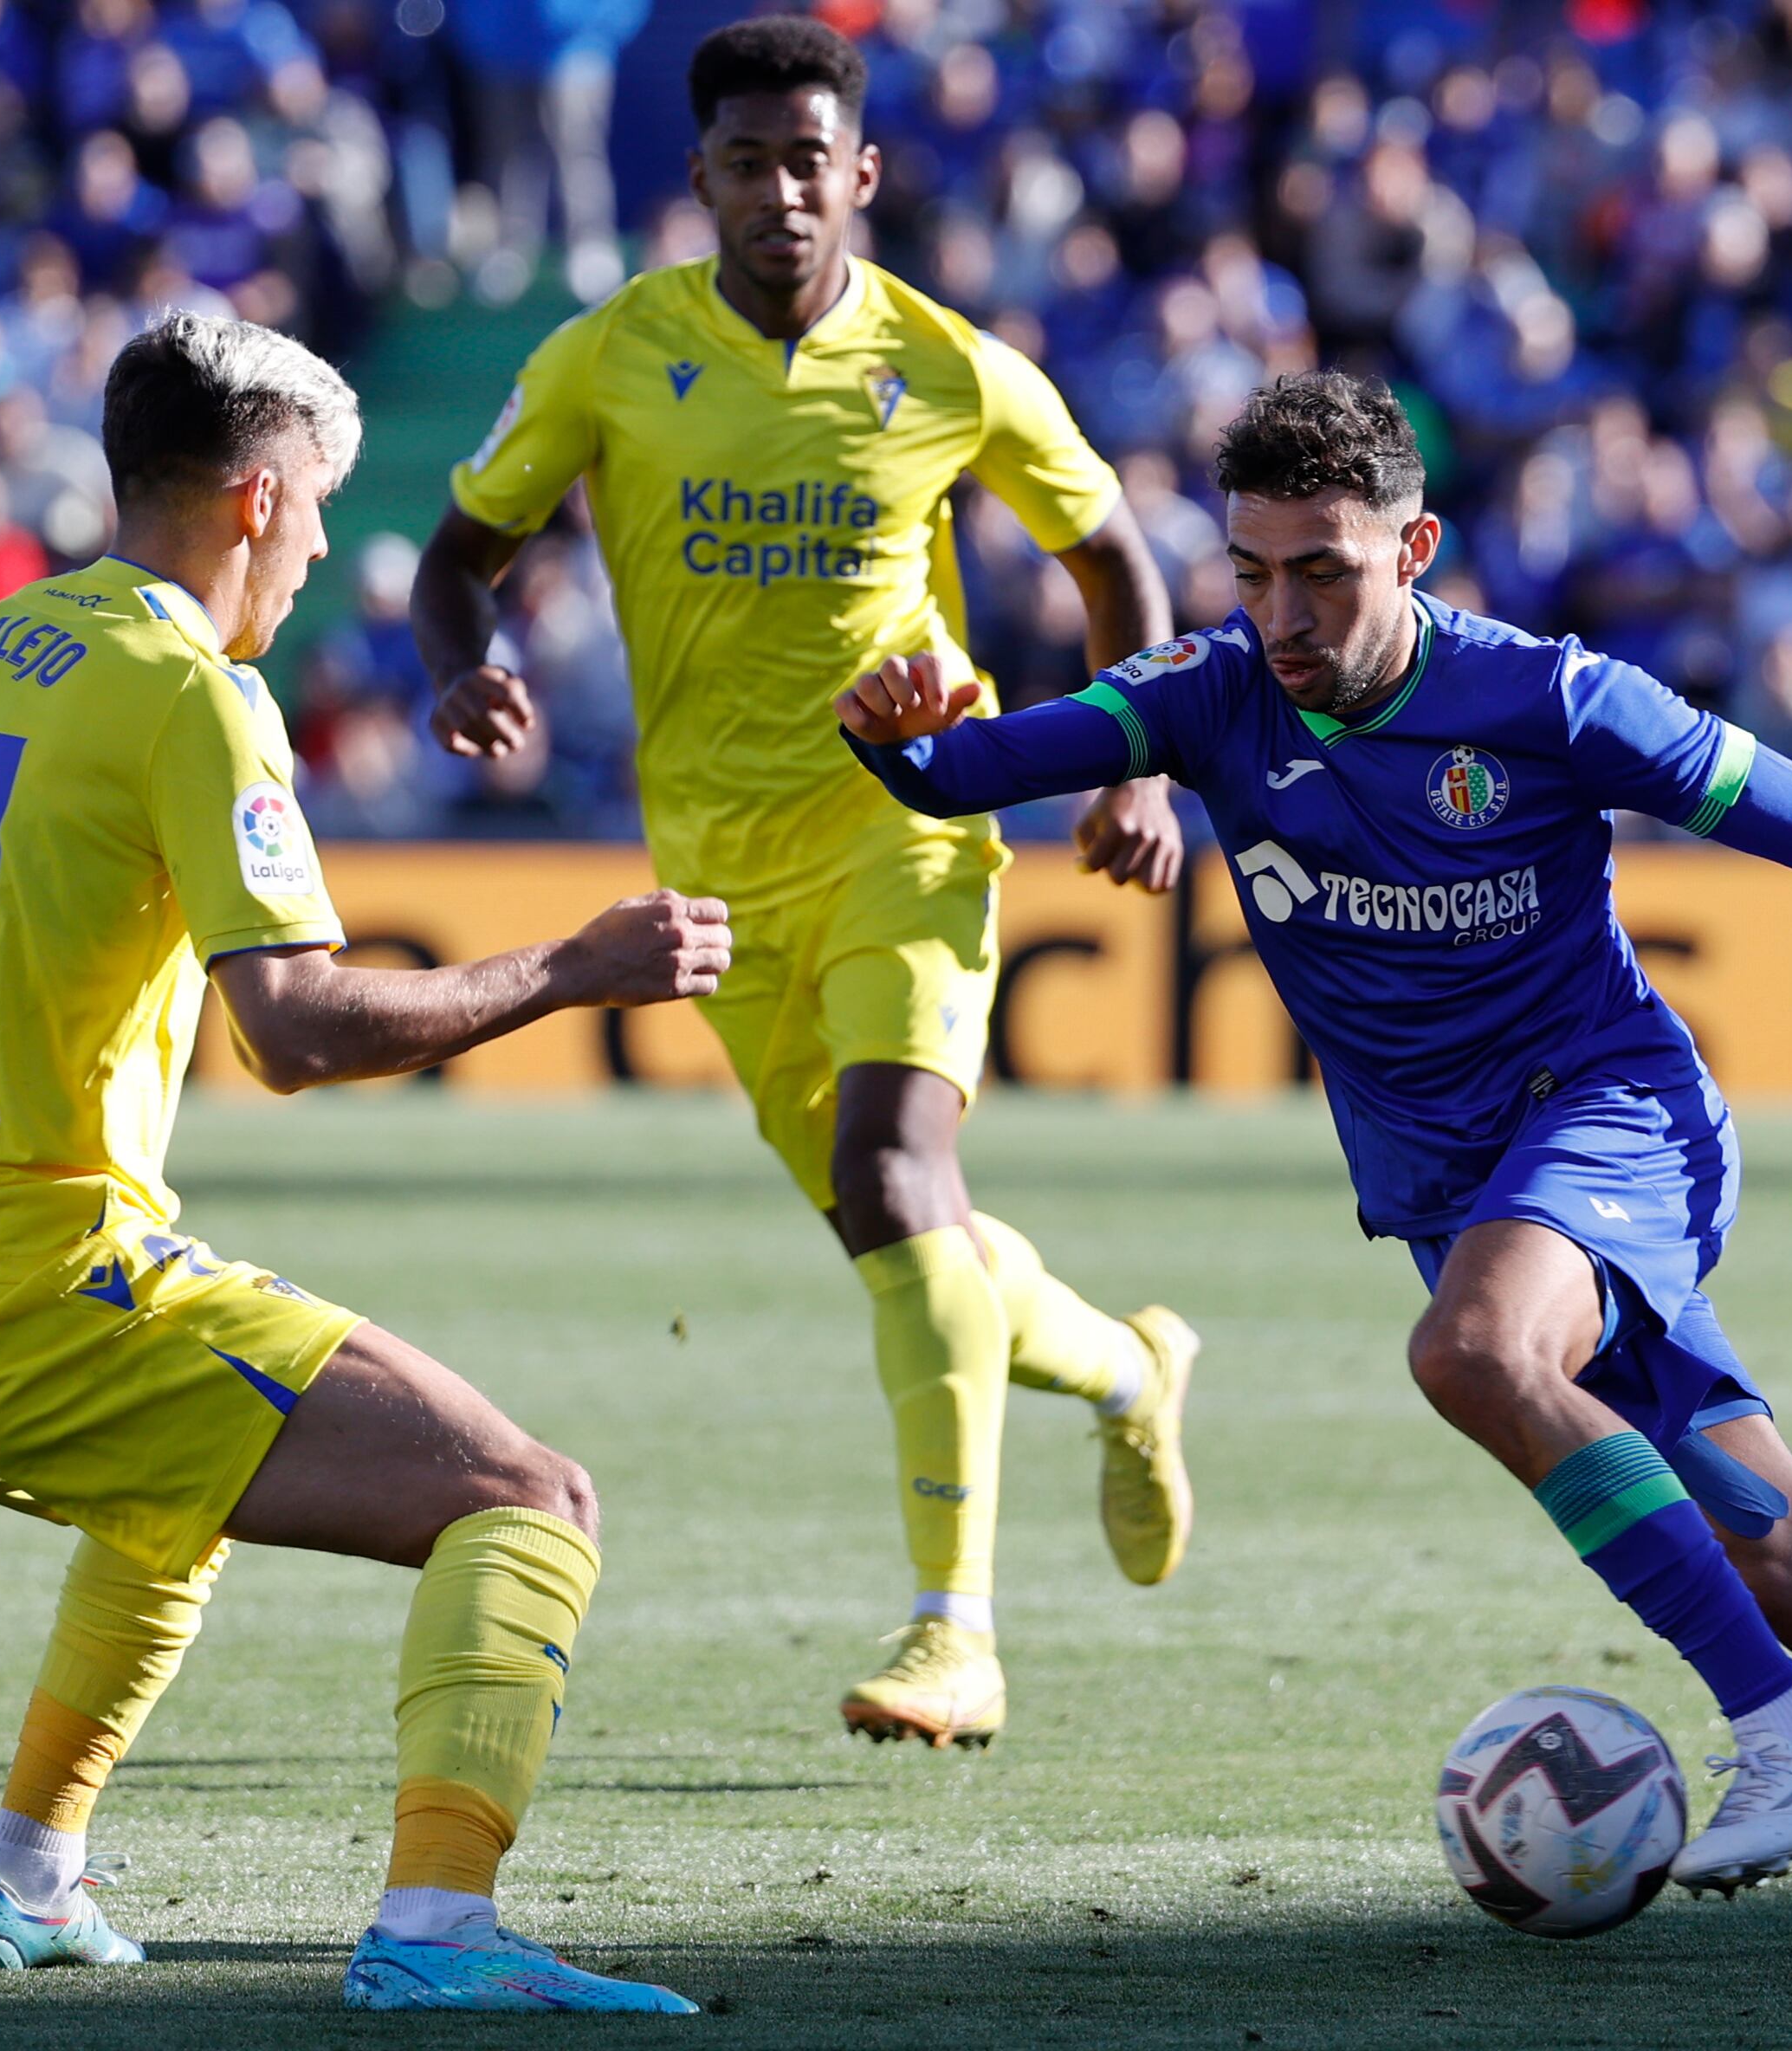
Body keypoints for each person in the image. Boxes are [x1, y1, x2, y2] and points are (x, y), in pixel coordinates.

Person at [835, 371, 1792, 1955]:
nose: (1282, 612)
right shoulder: (1207, 696)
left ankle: (1784, 1744)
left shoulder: (1549, 700)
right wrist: (905, 731)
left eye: (1324, 568)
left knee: (1474, 1350)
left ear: (1418, 552)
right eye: (1252, 570)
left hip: (1614, 1118)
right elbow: (966, 772)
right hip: (1466, 1195)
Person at [0, 309, 731, 2015]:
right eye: (324, 507)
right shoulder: (196, 690)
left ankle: (28, 1878)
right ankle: (437, 1931)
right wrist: (575, 967)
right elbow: (296, 1030)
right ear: (260, 497)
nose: (329, 546)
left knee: (175, 1487)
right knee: (527, 1497)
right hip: (39, 1296)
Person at [413, 16, 1196, 1751]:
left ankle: (955, 1632)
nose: (780, 191)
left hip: (913, 820)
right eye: (746, 160)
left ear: (862, 174)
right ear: (699, 176)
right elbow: (458, 556)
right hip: (718, 867)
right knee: (901, 1233)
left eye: (808, 160)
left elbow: (1114, 558)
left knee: (898, 1161)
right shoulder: (609, 358)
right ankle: (1137, 1370)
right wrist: (461, 666)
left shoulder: (946, 364)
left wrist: (1134, 759)